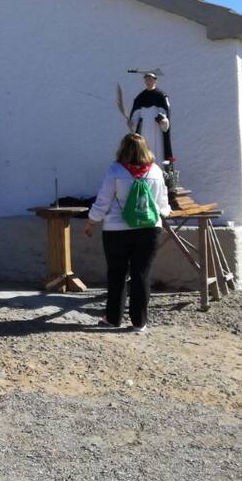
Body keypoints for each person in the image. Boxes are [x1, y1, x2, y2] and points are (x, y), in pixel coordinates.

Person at [83, 133, 171, 333]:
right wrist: (161, 216)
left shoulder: (115, 170)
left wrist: (91, 222)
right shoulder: (156, 171)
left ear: (123, 148)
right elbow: (163, 203)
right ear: (145, 149)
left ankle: (113, 318)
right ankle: (139, 322)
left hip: (116, 230)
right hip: (149, 229)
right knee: (141, 274)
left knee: (117, 274)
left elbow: (103, 200)